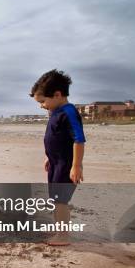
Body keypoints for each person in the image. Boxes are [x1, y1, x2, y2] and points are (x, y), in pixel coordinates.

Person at [30, 69, 86, 246]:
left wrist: (76, 166)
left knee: (61, 200)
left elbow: (79, 139)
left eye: (43, 101)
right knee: (55, 198)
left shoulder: (69, 112)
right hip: (55, 162)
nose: (42, 105)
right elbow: (57, 137)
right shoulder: (56, 111)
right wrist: (49, 157)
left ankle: (63, 236)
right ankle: (59, 229)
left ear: (57, 94)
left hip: (66, 165)